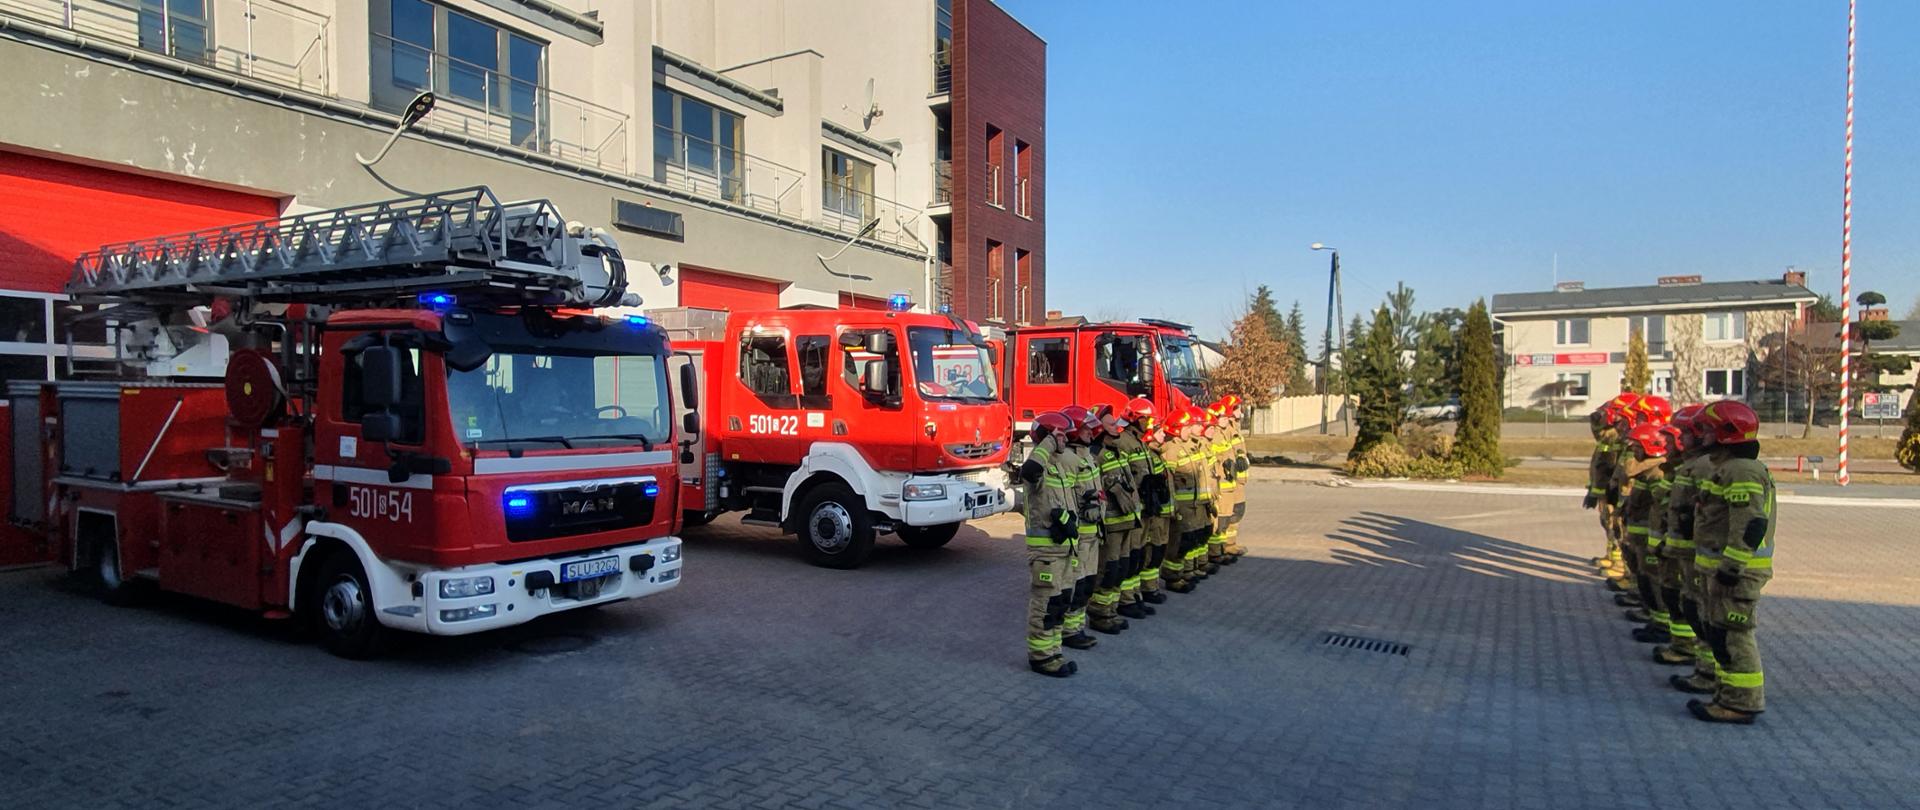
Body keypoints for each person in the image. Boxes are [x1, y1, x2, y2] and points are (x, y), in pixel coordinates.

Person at [1688, 401, 1774, 724]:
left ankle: (1742, 702)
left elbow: (1750, 524)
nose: (1702, 436)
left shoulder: (1741, 471)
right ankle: (1727, 695)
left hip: (1737, 573)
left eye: (1708, 430)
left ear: (1727, 433)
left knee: (1734, 636)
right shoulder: (1728, 468)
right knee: (1720, 635)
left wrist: (1731, 568)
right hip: (1723, 571)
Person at [1017, 411, 1079, 677]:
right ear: (1048, 437)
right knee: (1045, 606)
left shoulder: (1058, 466)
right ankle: (1041, 658)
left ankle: (1054, 652)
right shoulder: (1037, 464)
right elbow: (1029, 471)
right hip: (1045, 553)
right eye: (1060, 435)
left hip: (1064, 549)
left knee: (1060, 604)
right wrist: (1049, 442)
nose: (1066, 439)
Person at [1654, 404, 1708, 668]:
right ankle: (1685, 648)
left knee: (1696, 606)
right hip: (1679, 549)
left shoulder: (1702, 467)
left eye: (1681, 434)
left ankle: (1701, 662)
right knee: (1683, 599)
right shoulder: (1686, 467)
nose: (1667, 443)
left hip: (1693, 552)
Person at [1089, 404, 1144, 633]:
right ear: (1099, 428)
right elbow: (1091, 485)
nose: (1116, 427)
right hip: (1111, 524)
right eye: (1111, 424)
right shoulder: (1095, 455)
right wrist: (1110, 485)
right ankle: (1100, 614)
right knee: (1108, 570)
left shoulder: (1116, 451)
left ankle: (1111, 611)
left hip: (1127, 520)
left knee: (1120, 568)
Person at [1058, 405, 1107, 650]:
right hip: (1078, 537)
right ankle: (1069, 631)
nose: (1091, 432)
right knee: (1075, 585)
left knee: (1087, 584)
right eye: (1086, 428)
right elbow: (1063, 498)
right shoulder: (1068, 459)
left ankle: (1077, 628)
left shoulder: (1086, 456)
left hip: (1092, 533)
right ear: (1074, 431)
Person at [1619, 418, 1672, 643]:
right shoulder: (1647, 473)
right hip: (1640, 539)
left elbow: (1660, 511)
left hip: (1650, 540)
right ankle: (1654, 618)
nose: (1634, 452)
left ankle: (1662, 625)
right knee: (1645, 579)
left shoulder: (1657, 474)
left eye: (1638, 447)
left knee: (1655, 583)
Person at [1126, 397, 1173, 607]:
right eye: (1159, 430)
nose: (1163, 434)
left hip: (1151, 510)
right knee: (1137, 554)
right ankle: (1132, 595)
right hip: (1139, 512)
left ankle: (1144, 590)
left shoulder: (1147, 451)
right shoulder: (1134, 447)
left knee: (1149, 553)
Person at [1158, 408, 1204, 594]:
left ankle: (1182, 572)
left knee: (1186, 540)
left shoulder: (1186, 446)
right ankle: (1173, 577)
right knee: (1176, 542)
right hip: (1179, 506)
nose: (1189, 430)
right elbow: (1168, 480)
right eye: (1186, 427)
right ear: (1176, 429)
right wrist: (1172, 505)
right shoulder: (1172, 449)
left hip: (1190, 505)